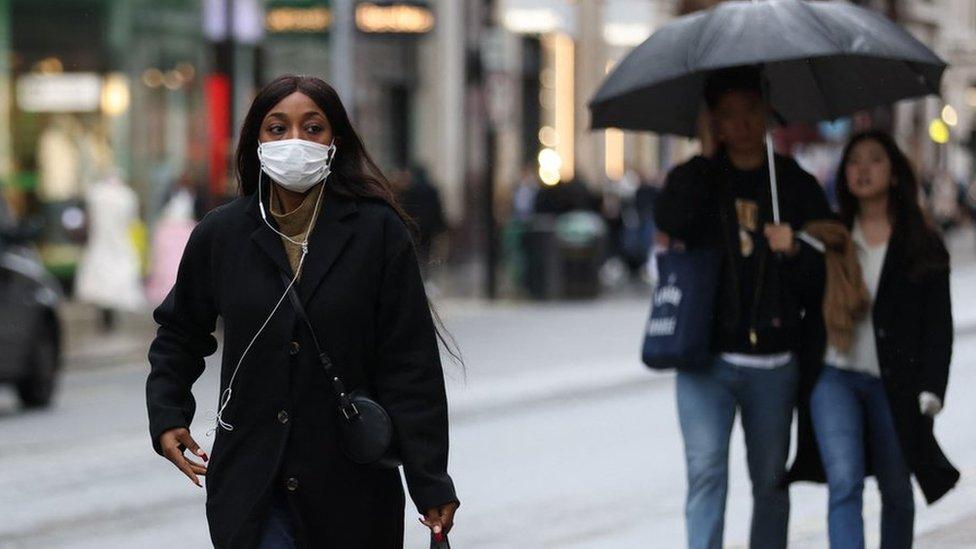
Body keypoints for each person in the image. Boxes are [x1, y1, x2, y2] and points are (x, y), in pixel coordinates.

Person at [145, 75, 459, 548]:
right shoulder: (222, 234)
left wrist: (430, 478)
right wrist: (168, 413)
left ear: (336, 142)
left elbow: (410, 365)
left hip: (351, 488)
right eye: (277, 129)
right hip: (252, 485)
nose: (295, 142)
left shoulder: (377, 233)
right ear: (257, 141)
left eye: (312, 128)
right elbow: (180, 333)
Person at [652, 67, 833, 549]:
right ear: (712, 121)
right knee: (707, 474)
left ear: (768, 113)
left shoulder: (794, 184)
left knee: (771, 482)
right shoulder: (694, 177)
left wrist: (794, 249)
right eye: (727, 115)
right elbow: (671, 222)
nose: (742, 124)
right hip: (704, 359)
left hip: (774, 363)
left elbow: (826, 274)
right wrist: (708, 157)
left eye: (752, 111)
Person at [790, 131, 959, 548]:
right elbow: (803, 298)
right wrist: (792, 254)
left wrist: (932, 387)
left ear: (895, 173)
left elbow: (938, 325)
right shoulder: (830, 236)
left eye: (874, 160)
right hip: (835, 376)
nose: (862, 170)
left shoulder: (920, 243)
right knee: (844, 481)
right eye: (853, 162)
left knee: (896, 489)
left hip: (894, 382)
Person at [74, 168, 145, 331]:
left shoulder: (96, 193)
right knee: (117, 275)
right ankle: (110, 313)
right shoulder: (128, 196)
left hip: (101, 240)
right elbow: (132, 221)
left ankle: (106, 314)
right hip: (119, 241)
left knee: (101, 277)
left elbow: (89, 219)